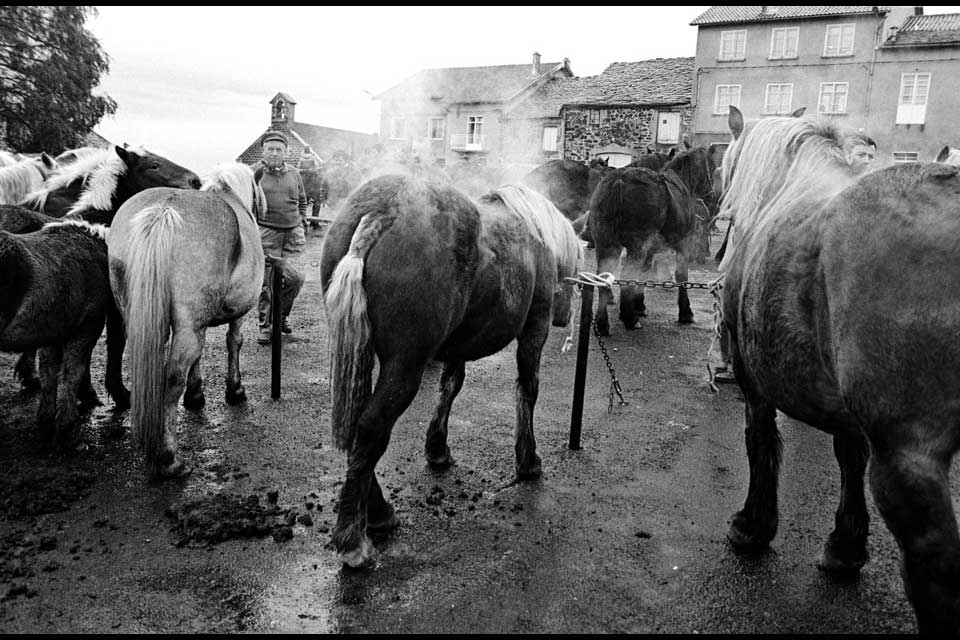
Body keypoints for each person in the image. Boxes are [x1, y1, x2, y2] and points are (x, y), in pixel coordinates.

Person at [253, 130, 307, 345]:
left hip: (293, 233)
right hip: (267, 233)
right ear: (263, 151)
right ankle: (266, 327)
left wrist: (302, 221)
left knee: (296, 278)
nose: (274, 153)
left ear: (286, 152)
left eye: (279, 150)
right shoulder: (253, 173)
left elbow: (302, 199)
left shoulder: (294, 173)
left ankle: (281, 316)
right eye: (270, 149)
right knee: (267, 284)